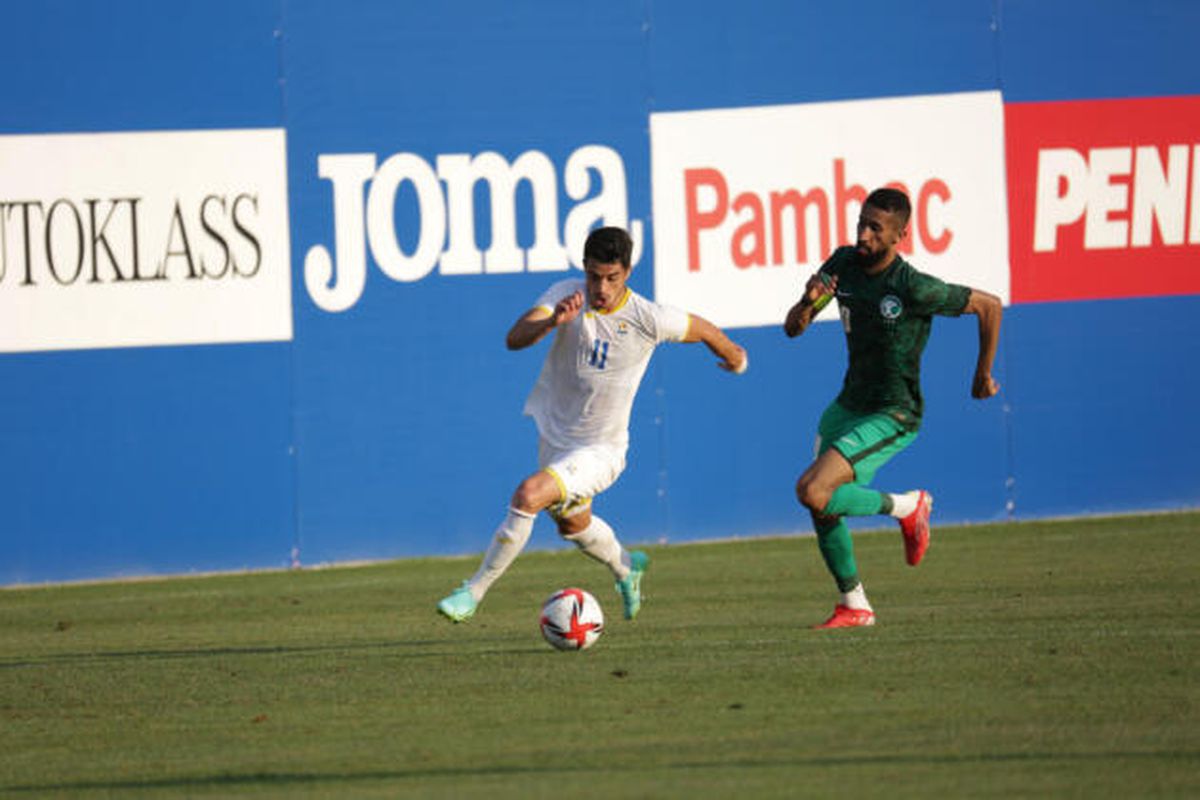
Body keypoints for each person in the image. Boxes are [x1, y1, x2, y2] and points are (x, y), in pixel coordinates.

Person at [438, 226, 748, 623]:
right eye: (594, 276)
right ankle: (626, 567)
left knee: (528, 494)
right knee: (572, 525)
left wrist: (734, 355)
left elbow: (701, 328)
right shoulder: (565, 295)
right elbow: (514, 339)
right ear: (584, 269)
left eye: (611, 278)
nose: (601, 287)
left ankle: (472, 592)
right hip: (556, 439)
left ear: (628, 272)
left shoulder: (648, 318)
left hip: (603, 451)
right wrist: (552, 322)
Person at [783, 187, 1002, 629]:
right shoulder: (842, 264)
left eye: (875, 228)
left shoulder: (913, 287)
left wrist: (981, 374)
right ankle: (854, 605)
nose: (863, 234)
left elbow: (989, 306)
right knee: (821, 503)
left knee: (812, 490)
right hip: (848, 405)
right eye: (861, 223)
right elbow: (794, 329)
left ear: (900, 235)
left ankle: (908, 507)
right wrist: (807, 303)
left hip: (894, 413)